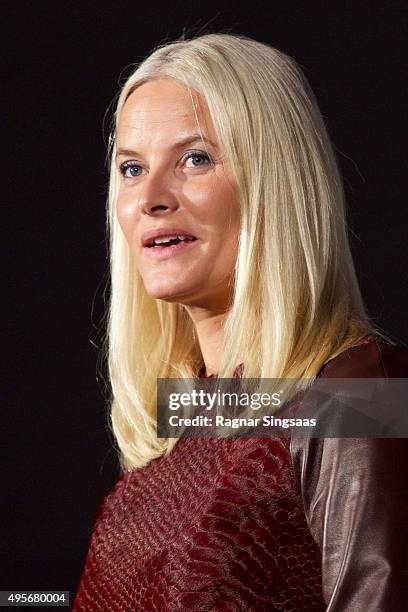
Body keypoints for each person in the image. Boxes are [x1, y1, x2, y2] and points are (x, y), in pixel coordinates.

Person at [74, 33, 408, 610]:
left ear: (273, 183)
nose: (150, 196)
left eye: (195, 158)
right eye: (131, 167)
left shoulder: (360, 392)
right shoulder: (188, 415)